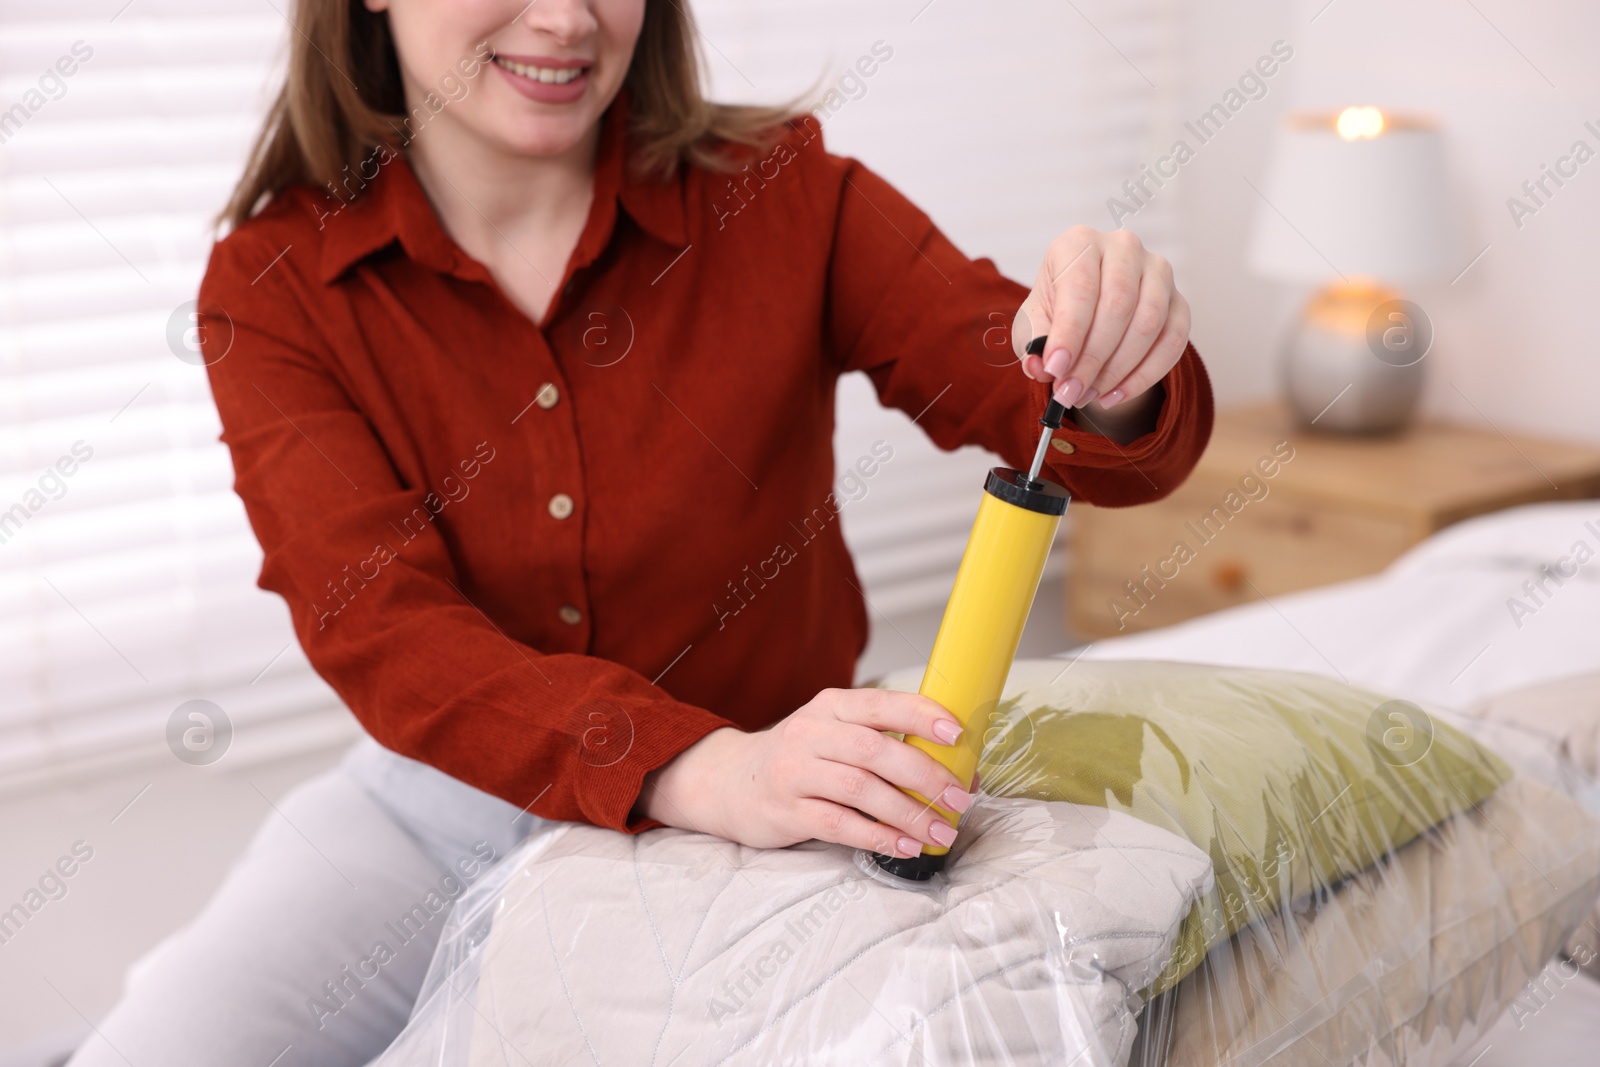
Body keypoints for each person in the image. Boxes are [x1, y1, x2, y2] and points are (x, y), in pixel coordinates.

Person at [68, 0, 1213, 1063]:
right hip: (446, 806)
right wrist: (689, 763)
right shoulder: (273, 282)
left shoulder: (784, 193)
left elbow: (1040, 400)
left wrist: (1103, 360)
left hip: (758, 828)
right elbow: (378, 624)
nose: (567, 19)